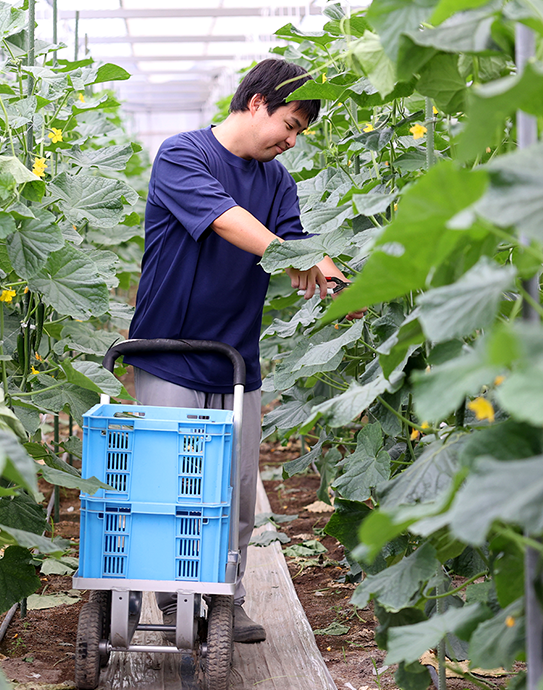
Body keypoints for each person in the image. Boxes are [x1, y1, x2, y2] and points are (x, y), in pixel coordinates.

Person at [126, 58, 352, 643]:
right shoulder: (184, 155)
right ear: (257, 103)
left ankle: (225, 598)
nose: (291, 140)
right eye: (291, 123)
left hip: (236, 359)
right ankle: (172, 594)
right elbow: (228, 222)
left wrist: (328, 276)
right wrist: (296, 256)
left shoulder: (277, 180)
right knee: (169, 485)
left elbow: (293, 240)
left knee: (235, 492)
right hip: (168, 348)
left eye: (300, 131)